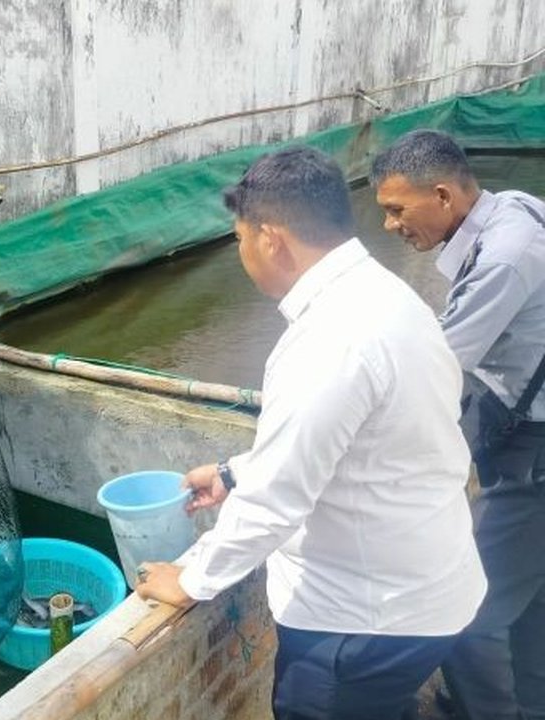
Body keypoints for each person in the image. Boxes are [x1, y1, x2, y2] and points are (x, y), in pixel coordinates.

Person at [135, 146, 487, 720]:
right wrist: (231, 474)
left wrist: (193, 581)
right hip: (424, 591)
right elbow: (358, 442)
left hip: (363, 623)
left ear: (271, 238)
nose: (242, 252)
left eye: (240, 238)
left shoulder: (330, 338)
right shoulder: (386, 296)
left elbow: (276, 501)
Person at [371, 128, 545, 720]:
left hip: (534, 457)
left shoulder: (503, 256)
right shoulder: (513, 209)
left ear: (443, 196)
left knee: (469, 613)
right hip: (525, 432)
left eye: (397, 210)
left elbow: (434, 366)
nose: (391, 226)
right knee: (530, 603)